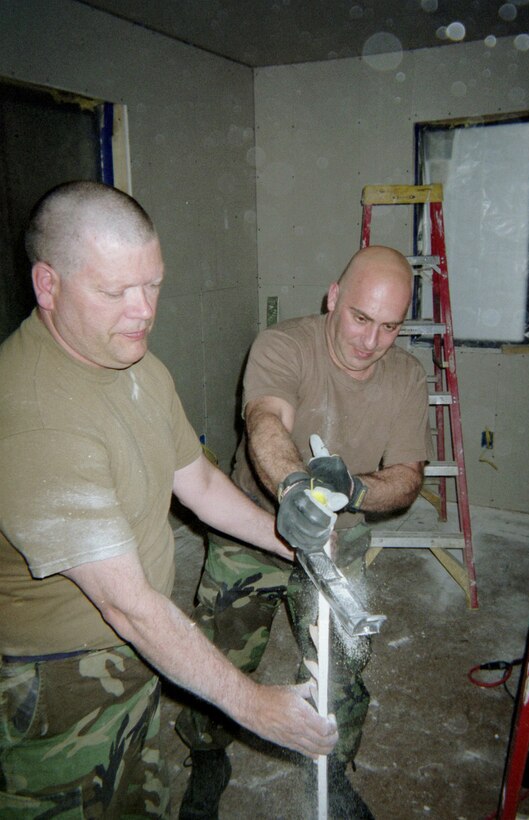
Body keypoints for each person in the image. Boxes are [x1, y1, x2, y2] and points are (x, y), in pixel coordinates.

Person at [0, 181, 339, 818]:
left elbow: (202, 484)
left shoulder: (137, 366)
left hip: (139, 655)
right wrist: (252, 705)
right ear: (48, 286)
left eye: (152, 283)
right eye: (114, 291)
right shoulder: (35, 415)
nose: (143, 312)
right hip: (56, 686)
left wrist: (290, 540)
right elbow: (127, 606)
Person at [176, 245, 434, 818]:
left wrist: (353, 491)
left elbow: (407, 478)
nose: (370, 341)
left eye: (389, 327)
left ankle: (332, 766)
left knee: (343, 659)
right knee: (221, 655)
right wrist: (296, 488)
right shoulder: (284, 344)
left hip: (340, 533)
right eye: (360, 319)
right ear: (333, 298)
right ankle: (206, 752)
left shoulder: (408, 377)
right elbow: (266, 420)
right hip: (253, 520)